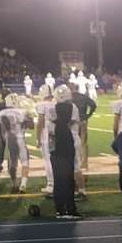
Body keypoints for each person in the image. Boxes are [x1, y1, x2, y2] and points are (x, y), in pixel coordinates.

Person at [47, 85, 81, 219]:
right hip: (69, 145)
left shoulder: (51, 108)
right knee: (68, 179)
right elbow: (75, 125)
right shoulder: (73, 108)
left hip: (54, 146)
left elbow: (50, 130)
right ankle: (70, 209)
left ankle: (59, 209)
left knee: (58, 179)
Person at [0, 93, 33, 193]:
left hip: (10, 140)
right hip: (20, 139)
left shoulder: (2, 113)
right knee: (25, 162)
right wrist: (29, 119)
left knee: (13, 164)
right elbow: (31, 126)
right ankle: (23, 184)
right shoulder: (23, 112)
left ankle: (14, 184)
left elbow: (3, 130)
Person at [35, 83, 56, 195]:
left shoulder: (42, 104)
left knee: (48, 160)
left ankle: (51, 184)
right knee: (57, 159)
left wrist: (37, 138)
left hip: (47, 134)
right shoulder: (56, 103)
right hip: (58, 133)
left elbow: (40, 123)